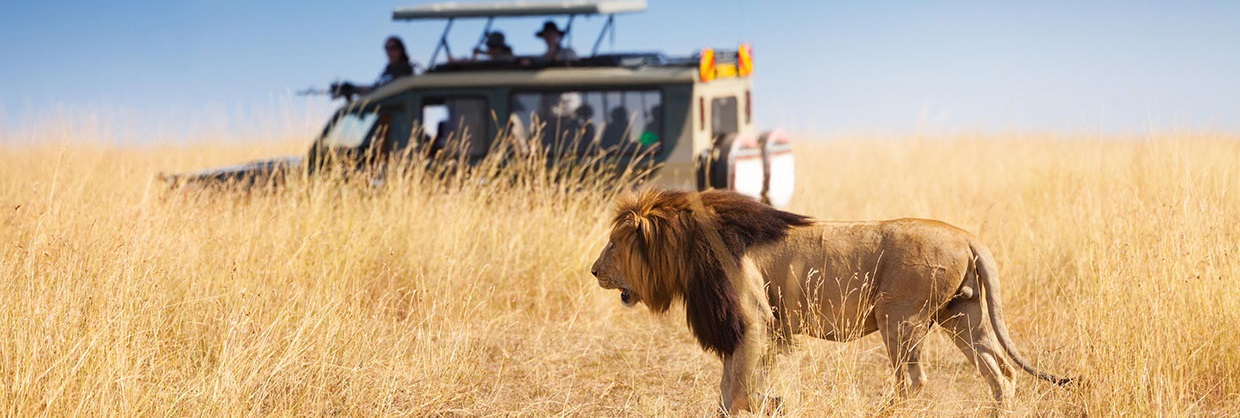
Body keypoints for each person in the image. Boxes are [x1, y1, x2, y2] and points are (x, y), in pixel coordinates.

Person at [333, 36, 414, 100]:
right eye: (386, 48)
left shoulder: (404, 70)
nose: (388, 51)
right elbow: (374, 89)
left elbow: (380, 90)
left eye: (392, 47)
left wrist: (353, 89)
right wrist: (351, 88)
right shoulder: (387, 71)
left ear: (400, 50)